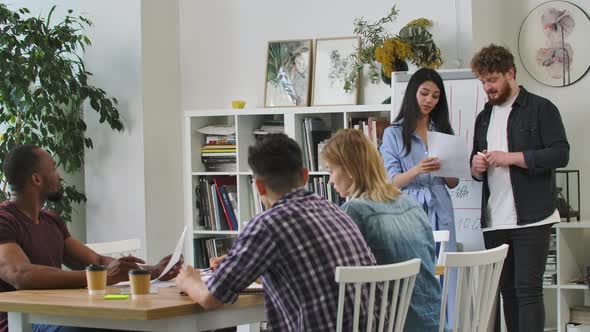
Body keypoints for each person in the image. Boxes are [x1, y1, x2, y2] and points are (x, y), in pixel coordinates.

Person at [175, 133, 376, 331]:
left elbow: (211, 298)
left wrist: (189, 281)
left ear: (259, 186)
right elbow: (303, 272)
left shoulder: (266, 225)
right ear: (305, 176)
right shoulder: (333, 209)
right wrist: (246, 268)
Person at [0, 145, 183, 332]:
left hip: (54, 313)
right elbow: (20, 274)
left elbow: (97, 261)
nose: (59, 175)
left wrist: (151, 271)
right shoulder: (4, 220)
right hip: (22, 321)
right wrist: (101, 277)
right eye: (54, 168)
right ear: (36, 179)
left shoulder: (51, 220)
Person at [470, 44, 569, 332]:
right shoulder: (483, 118)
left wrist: (511, 158)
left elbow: (560, 154)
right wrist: (476, 168)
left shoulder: (541, 108)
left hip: (533, 216)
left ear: (510, 73)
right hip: (494, 219)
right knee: (507, 294)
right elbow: (476, 165)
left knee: (528, 293)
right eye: (483, 81)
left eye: (492, 80)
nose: (487, 87)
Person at [321, 128, 442, 332]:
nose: (330, 180)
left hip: (394, 324)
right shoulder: (411, 204)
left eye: (331, 171)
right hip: (432, 323)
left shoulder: (353, 211)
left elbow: (333, 277)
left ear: (350, 169)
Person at [379, 67, 458, 322]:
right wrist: (417, 169)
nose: (429, 101)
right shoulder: (393, 133)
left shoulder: (442, 130)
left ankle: (447, 327)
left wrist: (447, 168)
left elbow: (454, 182)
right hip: (409, 210)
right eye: (424, 93)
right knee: (415, 275)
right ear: (413, 92)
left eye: (435, 96)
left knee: (445, 273)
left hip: (440, 207)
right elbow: (391, 183)